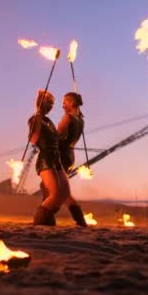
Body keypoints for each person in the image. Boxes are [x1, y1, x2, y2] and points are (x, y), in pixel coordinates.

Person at [28, 89, 70, 226]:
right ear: (41, 103)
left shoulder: (50, 121)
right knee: (55, 194)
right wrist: (38, 119)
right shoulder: (34, 119)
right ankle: (40, 221)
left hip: (56, 158)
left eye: (52, 104)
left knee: (64, 193)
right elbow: (33, 139)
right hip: (46, 159)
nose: (51, 107)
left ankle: (48, 216)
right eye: (49, 103)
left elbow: (57, 138)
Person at [52, 92, 87, 226]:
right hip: (70, 155)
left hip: (60, 154)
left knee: (60, 190)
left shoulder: (68, 117)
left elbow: (56, 135)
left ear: (72, 102)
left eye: (65, 102)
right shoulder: (81, 120)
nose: (62, 105)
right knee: (55, 187)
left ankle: (47, 216)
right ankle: (79, 220)